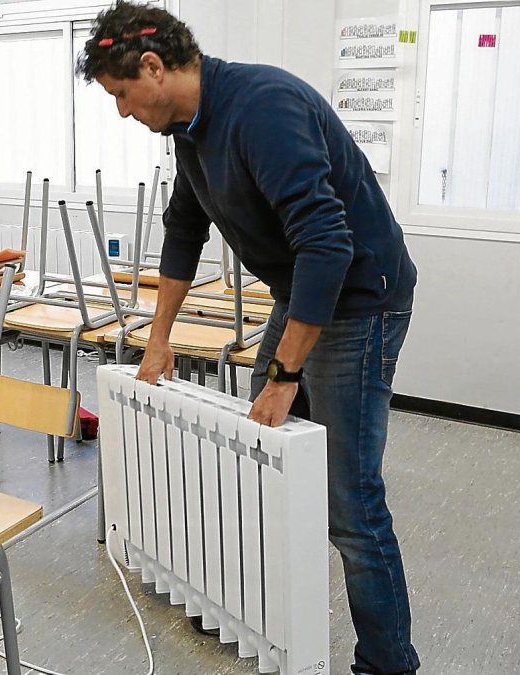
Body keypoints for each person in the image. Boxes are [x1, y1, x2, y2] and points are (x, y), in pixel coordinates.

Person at [78, 3, 419, 674]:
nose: (120, 111)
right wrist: (159, 337)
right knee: (265, 456)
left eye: (121, 95)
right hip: (305, 289)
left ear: (153, 67)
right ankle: (270, 624)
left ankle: (388, 664)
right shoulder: (188, 127)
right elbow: (184, 226)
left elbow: (328, 242)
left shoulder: (262, 107)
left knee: (351, 502)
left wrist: (285, 374)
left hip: (362, 296)